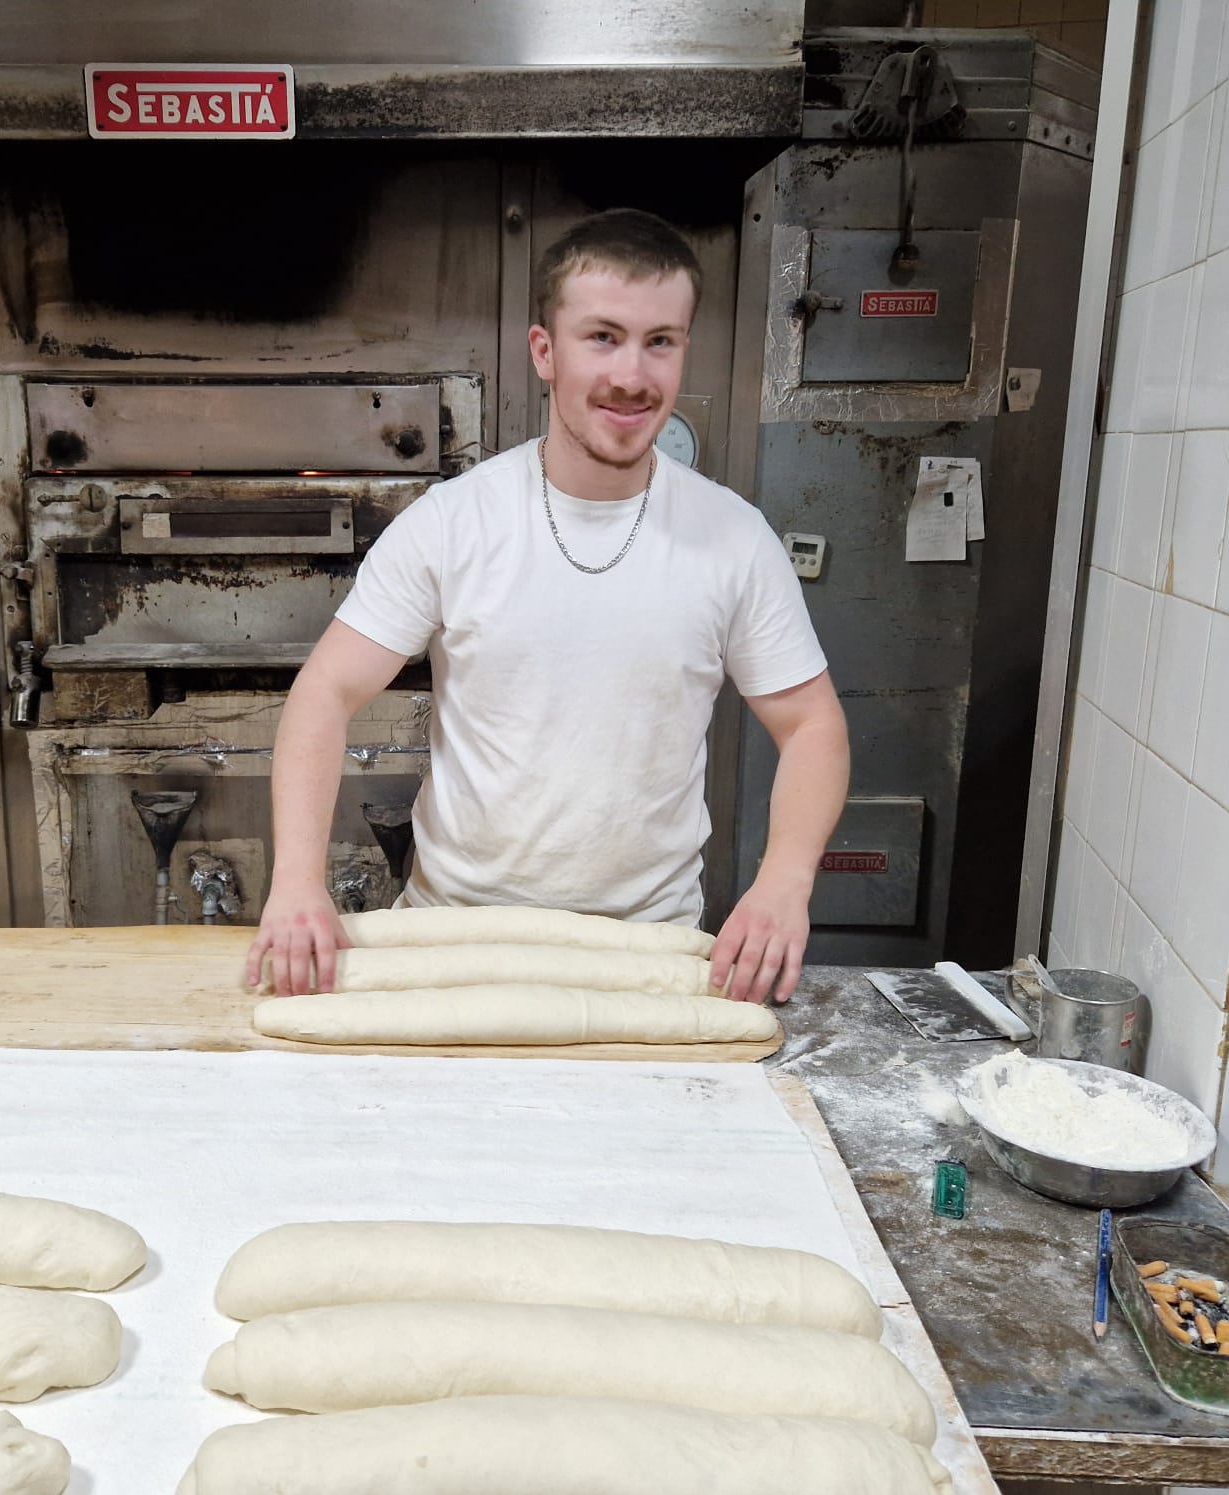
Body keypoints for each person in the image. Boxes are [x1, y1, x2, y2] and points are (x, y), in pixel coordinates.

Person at [245, 208, 848, 1006]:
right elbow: (326, 691)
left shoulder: (734, 540)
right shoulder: (454, 523)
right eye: (602, 337)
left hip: (647, 955)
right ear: (545, 352)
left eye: (659, 341)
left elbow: (811, 725)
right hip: (454, 941)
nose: (632, 375)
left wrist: (784, 882)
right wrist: (297, 880)